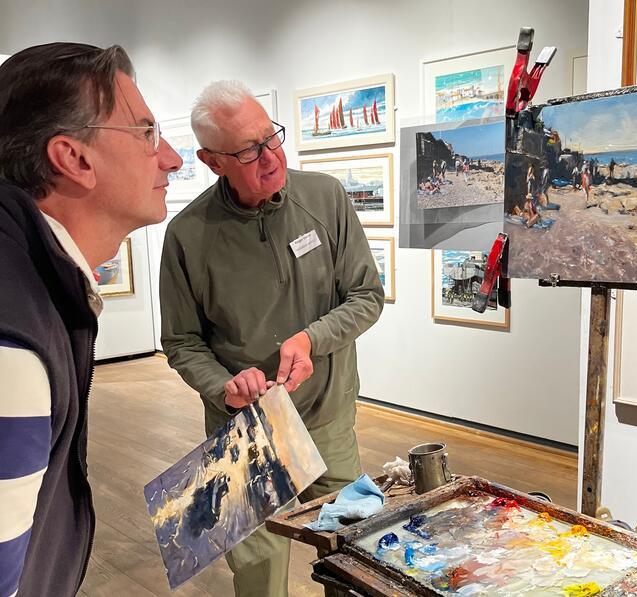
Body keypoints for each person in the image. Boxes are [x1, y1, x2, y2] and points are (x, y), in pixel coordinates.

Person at [159, 80, 384, 597]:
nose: (270, 157)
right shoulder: (188, 235)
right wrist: (222, 384)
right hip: (244, 428)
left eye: (272, 137)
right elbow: (181, 341)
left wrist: (312, 338)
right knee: (257, 567)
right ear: (212, 162)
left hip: (326, 416)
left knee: (353, 549)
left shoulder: (324, 198)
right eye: (248, 150)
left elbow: (366, 295)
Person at [0, 43, 181, 597]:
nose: (172, 156)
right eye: (147, 132)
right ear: (74, 158)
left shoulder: (32, 282)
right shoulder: (14, 344)